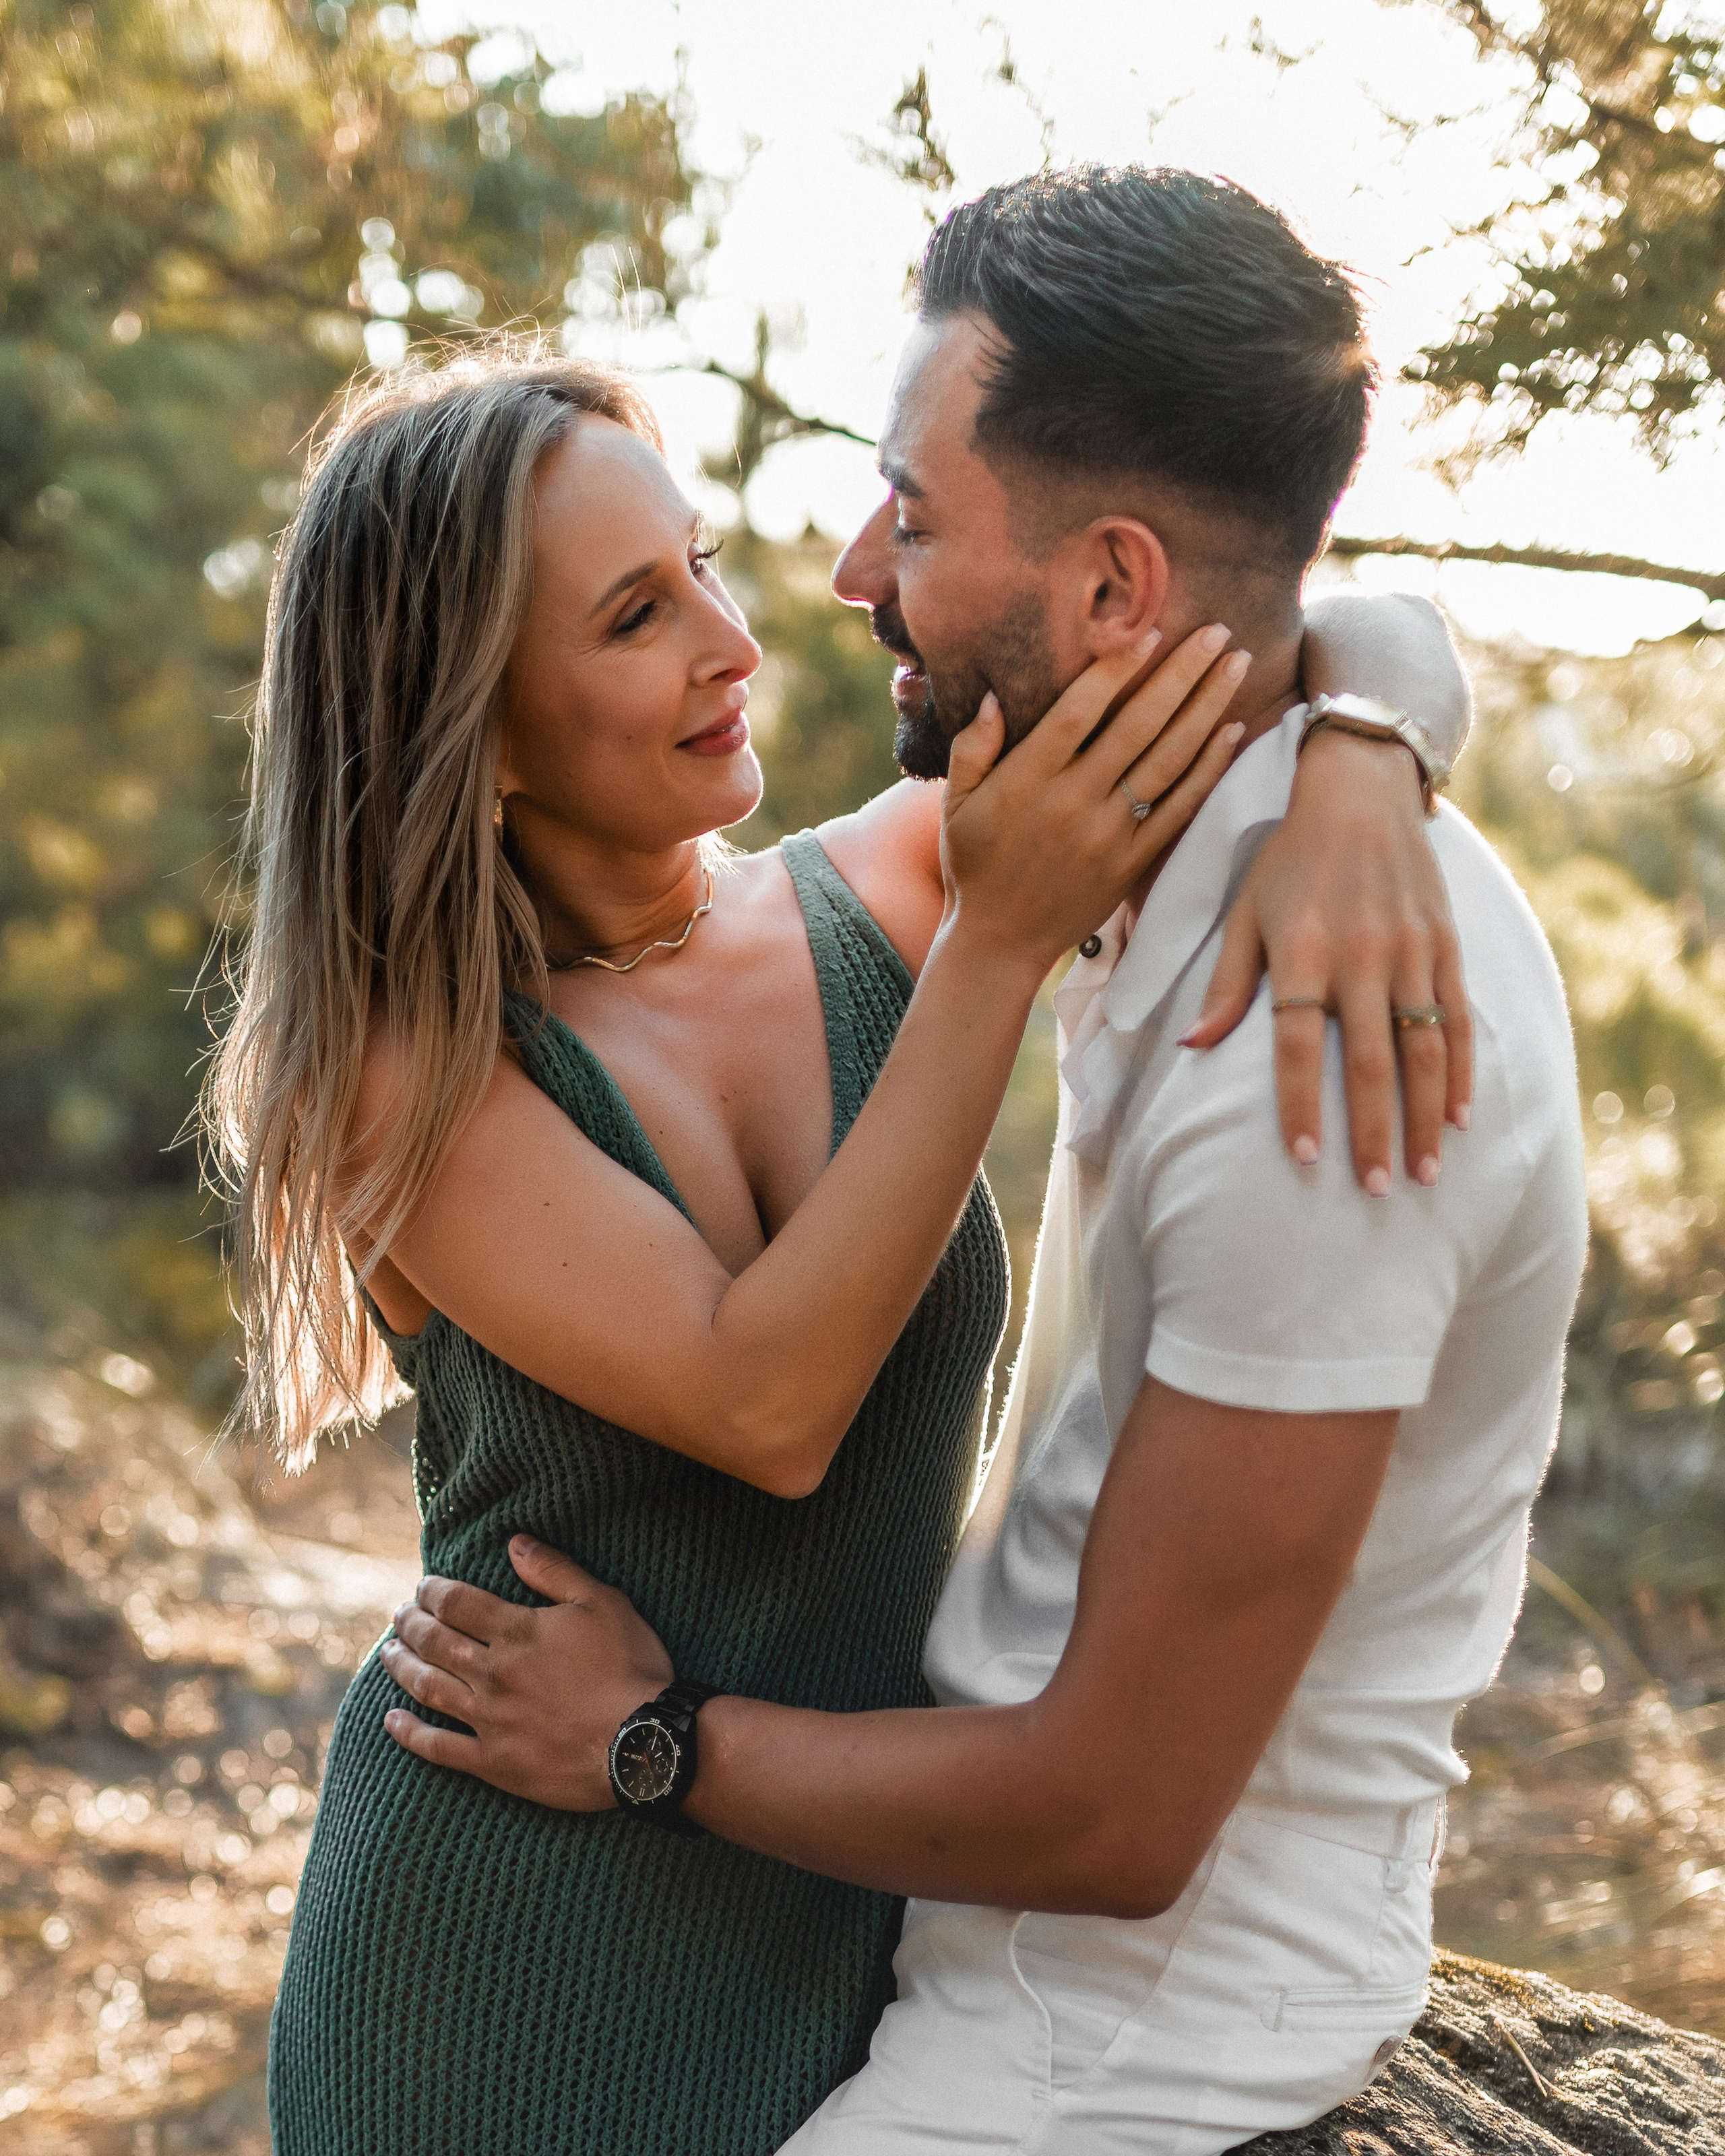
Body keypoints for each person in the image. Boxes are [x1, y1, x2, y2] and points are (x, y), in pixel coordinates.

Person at [228, 208, 1464, 2155]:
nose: (737, 641)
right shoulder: (406, 1078)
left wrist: (1369, 757)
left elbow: (1257, 625)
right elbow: (766, 1405)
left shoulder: (876, 888)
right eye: (634, 617)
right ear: (473, 732)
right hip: (500, 1948)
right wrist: (992, 959)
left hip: (829, 1903)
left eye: (701, 567)